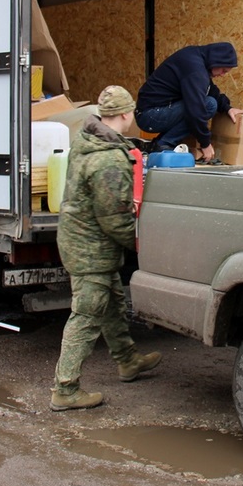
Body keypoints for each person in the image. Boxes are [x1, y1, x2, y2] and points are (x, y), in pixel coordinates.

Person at [50, 85, 161, 411]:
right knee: (86, 315)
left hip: (81, 241)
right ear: (127, 115)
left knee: (111, 301)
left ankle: (127, 361)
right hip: (91, 249)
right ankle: (65, 388)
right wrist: (143, 246)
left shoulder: (86, 141)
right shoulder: (108, 160)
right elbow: (115, 220)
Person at [136, 42, 243, 163]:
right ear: (216, 61)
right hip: (150, 115)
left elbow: (209, 89)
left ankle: (158, 144)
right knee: (208, 105)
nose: (222, 75)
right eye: (223, 70)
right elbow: (196, 110)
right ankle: (162, 145)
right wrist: (205, 144)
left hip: (152, 112)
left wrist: (228, 108)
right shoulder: (195, 69)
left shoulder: (197, 60)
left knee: (208, 102)